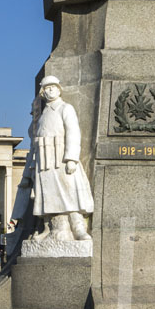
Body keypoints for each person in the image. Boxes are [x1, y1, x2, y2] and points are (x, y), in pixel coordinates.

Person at [22, 75, 94, 244]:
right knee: (46, 195)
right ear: (42, 92)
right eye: (46, 88)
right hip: (43, 160)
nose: (50, 90)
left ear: (59, 89)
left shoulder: (65, 108)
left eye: (53, 87)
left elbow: (73, 132)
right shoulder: (42, 115)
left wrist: (71, 158)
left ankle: (78, 228)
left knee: (69, 193)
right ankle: (48, 228)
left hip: (60, 157)